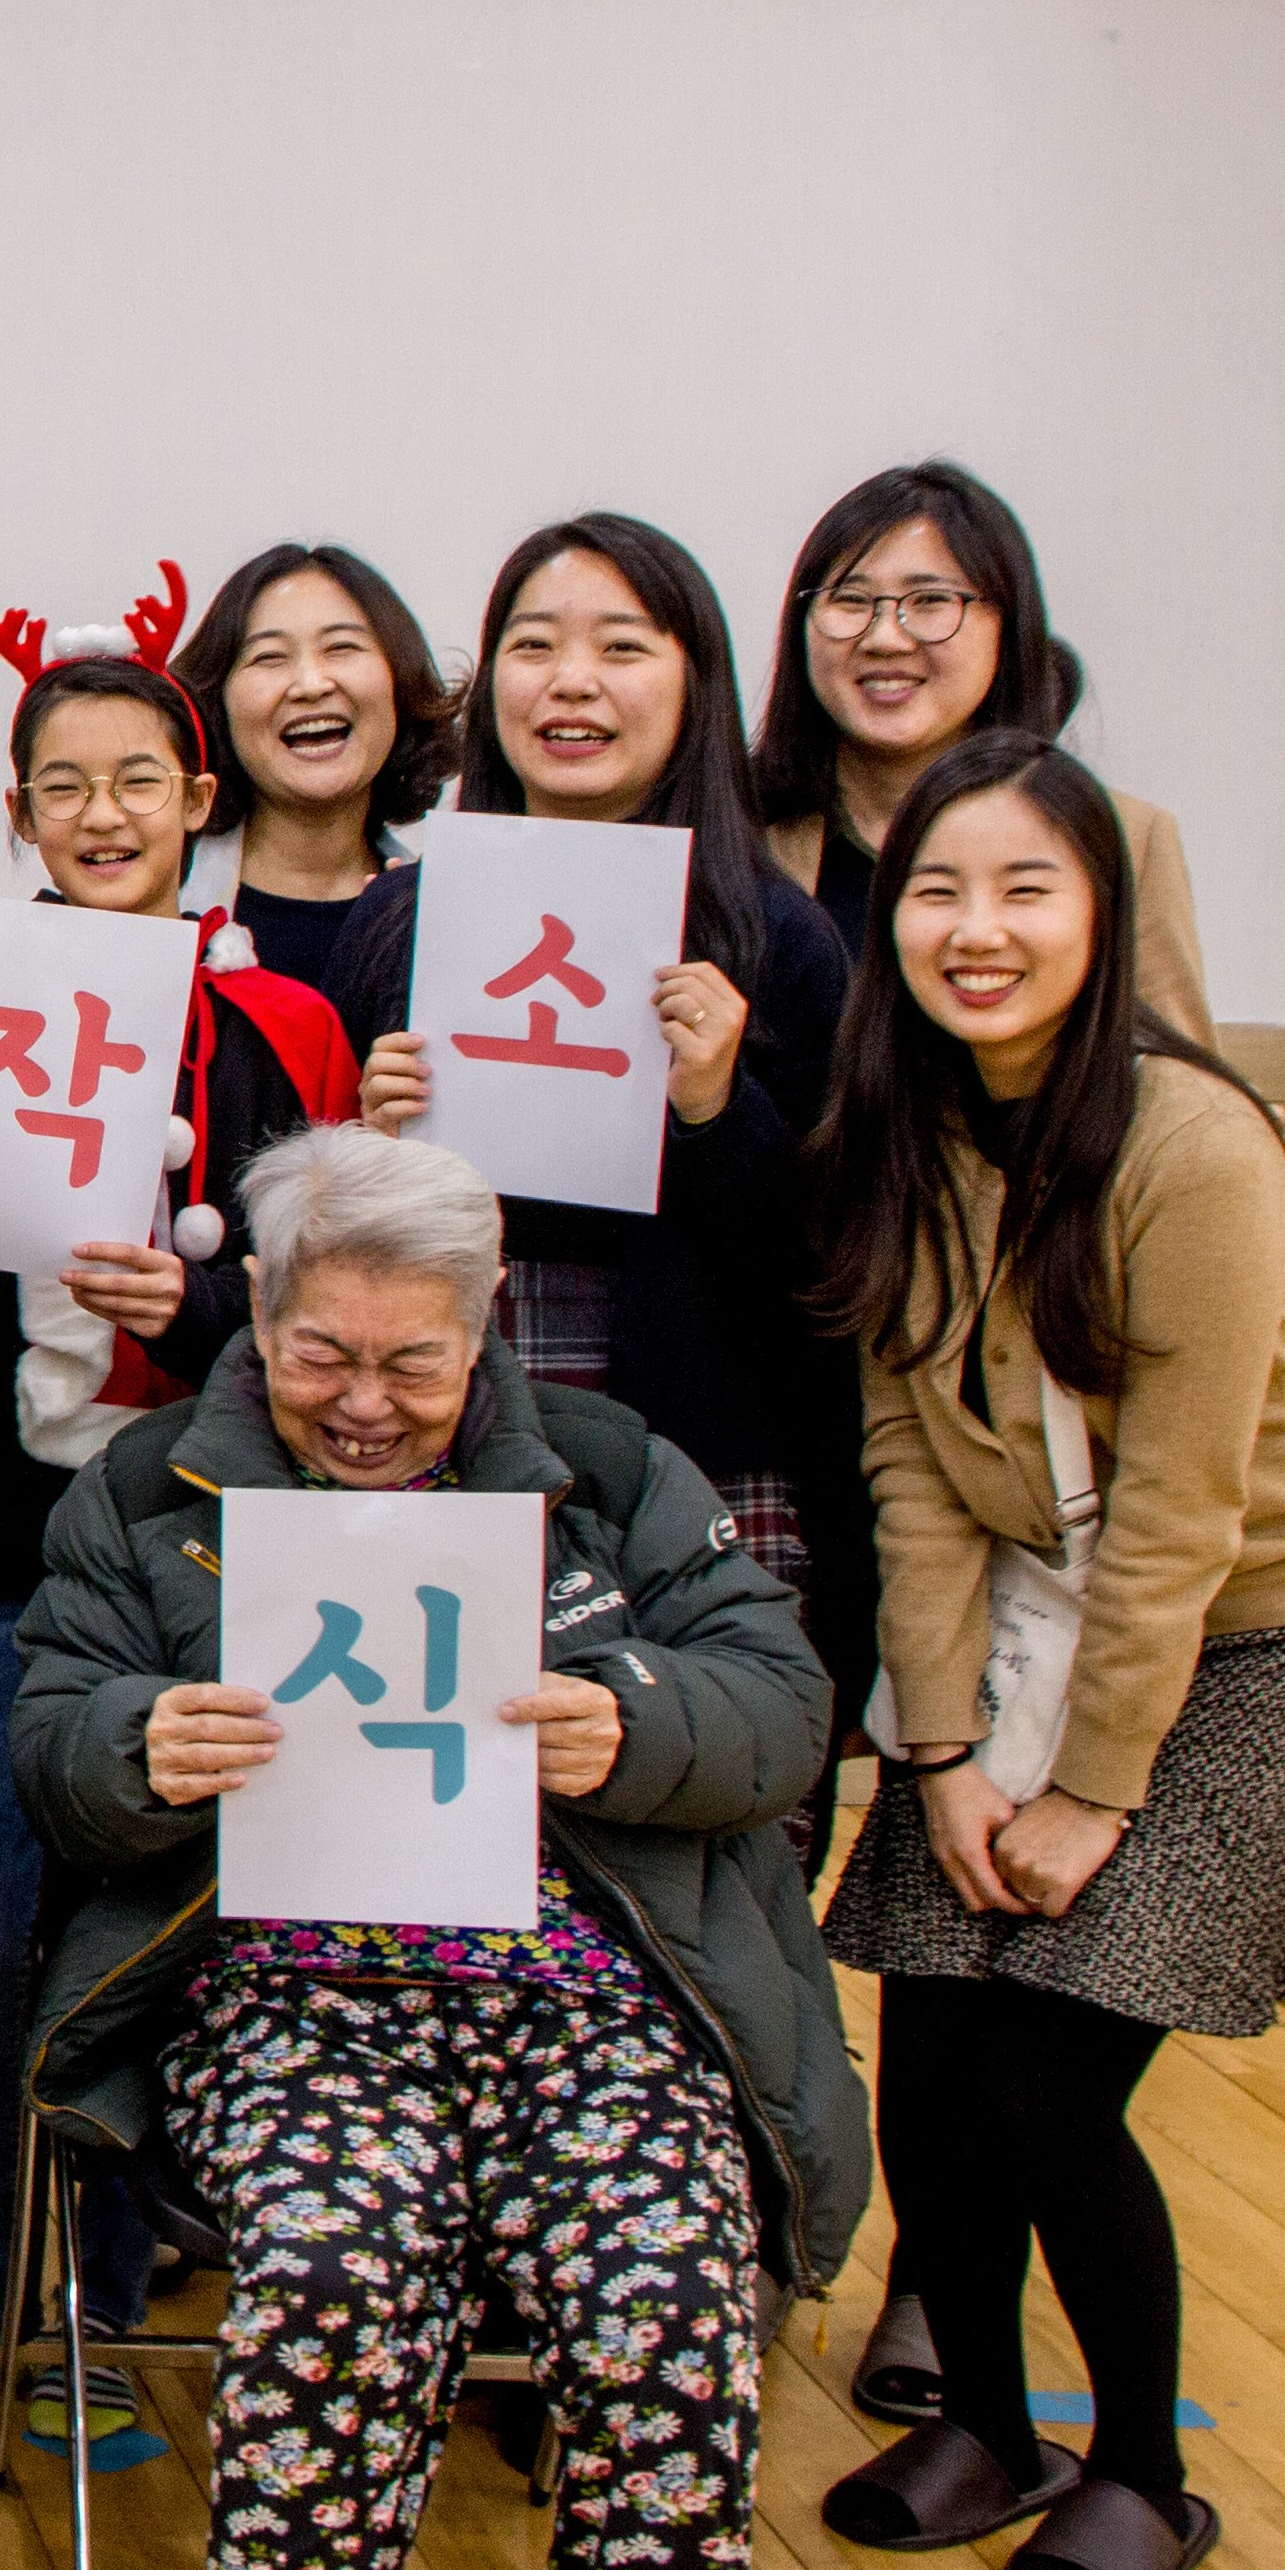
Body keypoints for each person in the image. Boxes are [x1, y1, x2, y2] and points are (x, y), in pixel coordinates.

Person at [13, 1124, 864, 2570]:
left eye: (411, 1363)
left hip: (595, 2002)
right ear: (259, 1310)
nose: (361, 1404)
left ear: (484, 1325)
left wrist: (630, 1723)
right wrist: (136, 1745)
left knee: (671, 2328)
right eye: (319, 1354)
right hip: (287, 2001)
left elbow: (783, 1704)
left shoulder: (609, 1474)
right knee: (330, 2290)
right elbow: (48, 1741)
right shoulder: (144, 1492)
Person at [808, 729, 1285, 2570]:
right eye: (935, 891)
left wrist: (1088, 1790)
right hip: (1009, 1618)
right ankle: (985, 2426)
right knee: (928, 2061)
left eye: (1024, 889)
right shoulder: (899, 1128)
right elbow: (908, 1466)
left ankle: (1139, 2467)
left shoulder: (1194, 1145)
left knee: (1049, 2081)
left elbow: (1181, 1513)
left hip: (1239, 1635)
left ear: (1103, 915)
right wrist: (942, 1753)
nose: (974, 930)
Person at [0, 642, 356, 2445]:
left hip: (218, 1545)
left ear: (198, 798)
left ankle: (108, 2296)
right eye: (60, 785)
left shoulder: (280, 1024)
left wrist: (203, 1300)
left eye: (136, 777)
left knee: (162, 1926)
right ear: (19, 812)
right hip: (20, 1537)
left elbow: (331, 1290)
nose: (99, 813)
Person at [333, 515, 868, 1701]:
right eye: (534, 645)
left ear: (695, 683)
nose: (571, 681)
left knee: (698, 1773)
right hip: (449, 1416)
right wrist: (375, 1146)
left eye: (622, 647)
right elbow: (320, 1232)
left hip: (701, 1440)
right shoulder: (397, 918)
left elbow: (831, 1268)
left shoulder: (777, 936)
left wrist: (718, 1109)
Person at [752, 460, 1212, 1037]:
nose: (884, 638)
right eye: (850, 600)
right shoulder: (734, 826)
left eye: (930, 601)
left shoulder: (1128, 838)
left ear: (1007, 625)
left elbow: (1171, 1071)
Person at [168, 542, 456, 1019]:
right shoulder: (160, 906)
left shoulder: (453, 915)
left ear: (398, 683)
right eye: (269, 657)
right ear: (216, 701)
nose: (310, 685)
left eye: (341, 648)